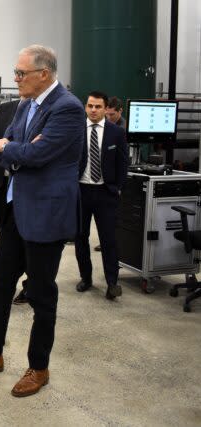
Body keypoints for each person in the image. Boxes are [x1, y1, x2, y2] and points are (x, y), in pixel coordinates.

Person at [0, 45, 84, 397]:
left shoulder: (68, 109)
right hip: (17, 209)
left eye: (20, 73)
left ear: (44, 73)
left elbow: (35, 153)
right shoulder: (26, 104)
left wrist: (11, 150)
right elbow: (8, 142)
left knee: (41, 294)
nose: (16, 79)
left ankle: (38, 367)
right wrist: (14, 150)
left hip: (45, 215)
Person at [75, 91, 129, 300]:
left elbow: (123, 163)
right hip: (81, 191)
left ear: (106, 108)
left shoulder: (116, 133)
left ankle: (112, 283)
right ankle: (86, 278)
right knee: (80, 238)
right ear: (85, 107)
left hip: (106, 193)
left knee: (109, 240)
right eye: (90, 106)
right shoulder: (77, 130)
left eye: (98, 106)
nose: (93, 110)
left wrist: (118, 187)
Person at [0, 98, 29, 305]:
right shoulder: (6, 109)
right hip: (2, 186)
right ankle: (9, 283)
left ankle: (30, 287)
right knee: (5, 238)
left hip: (25, 190)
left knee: (28, 240)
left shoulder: (45, 112)